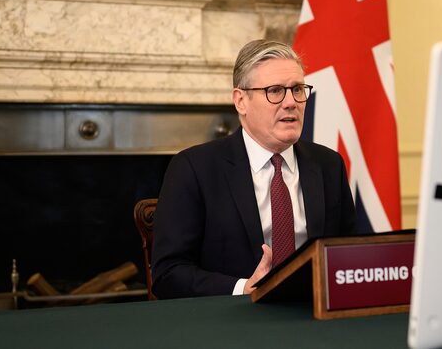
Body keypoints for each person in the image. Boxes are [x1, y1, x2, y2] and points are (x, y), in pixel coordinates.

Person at [151, 40, 357, 298]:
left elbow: (350, 256)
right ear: (241, 101)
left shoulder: (328, 165)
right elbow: (168, 274)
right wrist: (242, 288)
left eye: (297, 89)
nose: (291, 102)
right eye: (275, 91)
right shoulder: (194, 169)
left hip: (313, 313)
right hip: (231, 317)